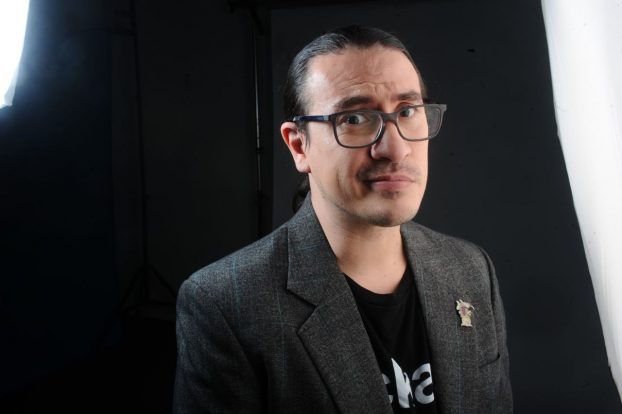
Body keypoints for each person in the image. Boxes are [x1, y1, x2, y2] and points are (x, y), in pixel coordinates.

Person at [173, 25, 512, 414]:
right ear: (299, 145)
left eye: (407, 111)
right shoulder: (226, 305)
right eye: (354, 118)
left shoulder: (470, 269)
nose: (396, 149)